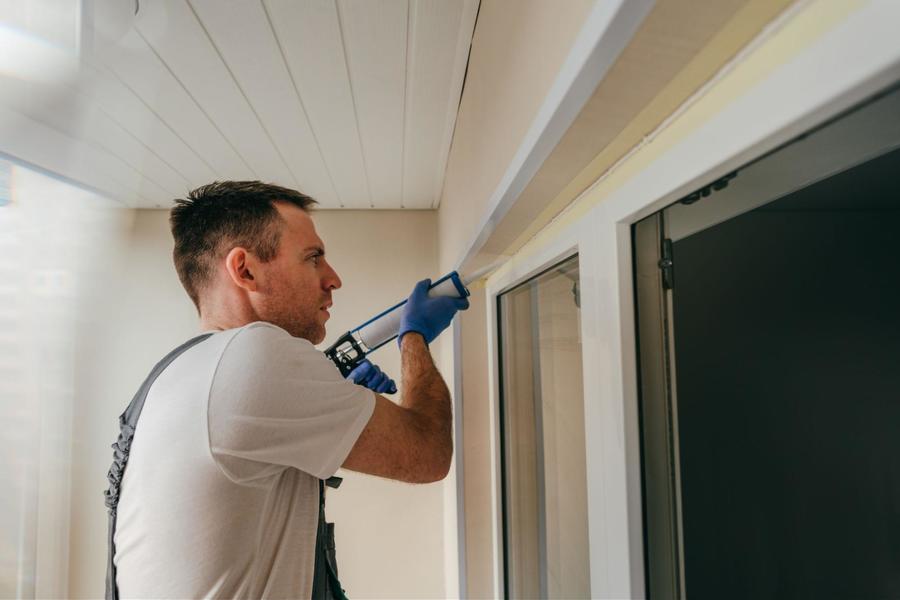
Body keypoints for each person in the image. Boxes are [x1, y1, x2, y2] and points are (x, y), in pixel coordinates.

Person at [107, 180, 469, 599]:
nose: (333, 279)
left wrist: (332, 395)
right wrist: (414, 337)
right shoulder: (257, 355)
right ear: (244, 270)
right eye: (313, 258)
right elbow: (428, 453)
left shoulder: (178, 371)